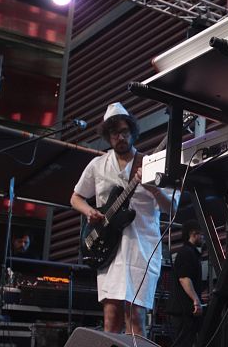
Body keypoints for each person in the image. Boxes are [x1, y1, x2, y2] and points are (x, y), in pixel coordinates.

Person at [70, 102, 173, 335]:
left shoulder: (150, 164)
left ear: (132, 132)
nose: (120, 137)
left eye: (125, 131)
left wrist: (154, 188)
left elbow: (171, 207)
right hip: (108, 248)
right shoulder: (97, 165)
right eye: (115, 133)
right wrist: (89, 211)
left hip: (141, 248)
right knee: (111, 317)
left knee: (135, 316)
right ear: (108, 136)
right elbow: (76, 197)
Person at [169, 219, 204, 347]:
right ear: (193, 234)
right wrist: (196, 300)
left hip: (185, 311)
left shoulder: (190, 253)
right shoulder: (187, 253)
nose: (203, 238)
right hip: (183, 311)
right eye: (201, 234)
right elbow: (184, 278)